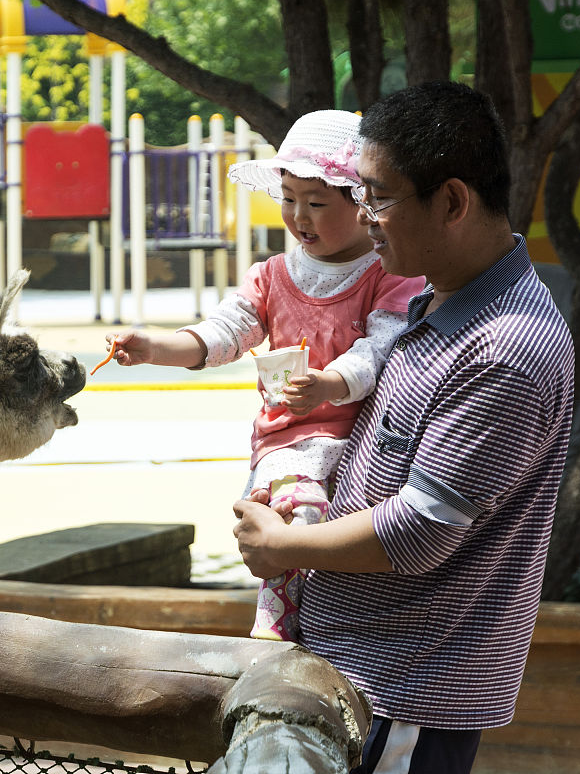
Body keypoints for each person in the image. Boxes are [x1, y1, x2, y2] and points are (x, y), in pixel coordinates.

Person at [231, 81, 575, 774]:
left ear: (451, 202)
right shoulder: (429, 299)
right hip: (358, 671)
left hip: (403, 693)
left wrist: (282, 545)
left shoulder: (502, 351)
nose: (363, 217)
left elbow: (418, 530)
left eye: (378, 197)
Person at [101, 110, 424, 641]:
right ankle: (276, 624)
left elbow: (381, 346)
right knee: (295, 511)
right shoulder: (272, 275)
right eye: (288, 199)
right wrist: (156, 346)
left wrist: (330, 383)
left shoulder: (388, 274)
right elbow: (225, 332)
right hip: (292, 443)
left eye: (316, 202)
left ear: (362, 202)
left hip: (368, 443)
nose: (298, 216)